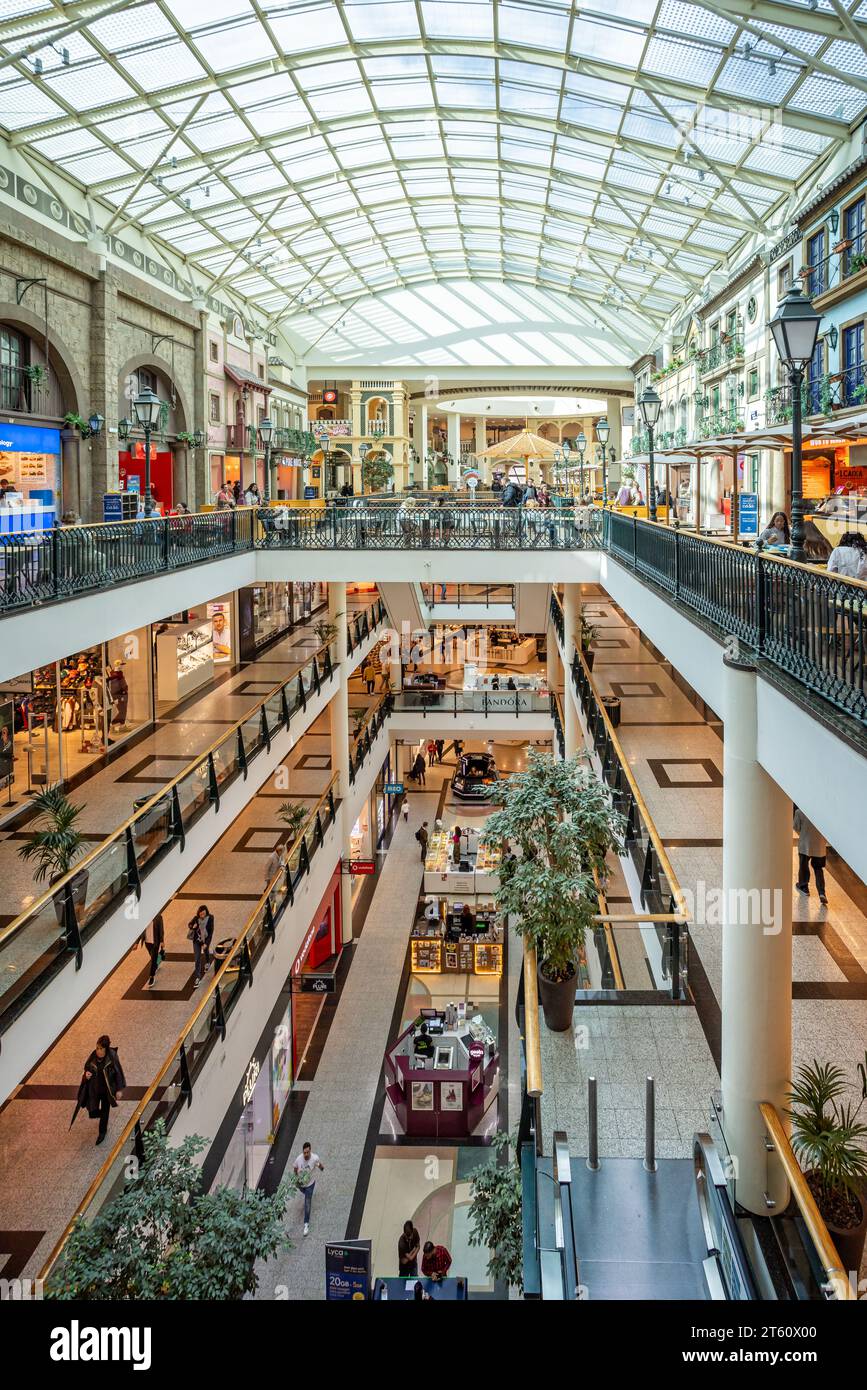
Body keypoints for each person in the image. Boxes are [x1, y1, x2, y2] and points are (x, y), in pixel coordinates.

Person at [78, 1034, 126, 1146]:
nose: (98, 1051)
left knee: (105, 1110)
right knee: (92, 1110)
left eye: (100, 1049)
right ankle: (102, 1115)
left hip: (107, 1090)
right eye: (97, 1048)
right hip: (94, 1089)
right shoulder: (93, 1055)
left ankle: (102, 1132)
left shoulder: (112, 1057)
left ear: (106, 1049)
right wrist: (86, 1075)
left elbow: (118, 1073)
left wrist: (119, 1090)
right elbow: (86, 1067)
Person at [794, 807, 828, 905]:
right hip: (820, 844)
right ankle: (822, 892)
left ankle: (804, 887)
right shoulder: (823, 812)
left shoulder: (799, 812)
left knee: (803, 865)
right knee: (818, 868)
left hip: (805, 844)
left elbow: (796, 827)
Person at [293, 1141, 324, 1236]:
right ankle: (307, 1195)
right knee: (304, 1193)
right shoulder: (299, 1159)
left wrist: (320, 1166)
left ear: (310, 1151)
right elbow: (295, 1168)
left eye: (307, 1152)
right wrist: (296, 1179)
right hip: (301, 1184)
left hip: (310, 1184)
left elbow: (320, 1166)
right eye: (304, 1152)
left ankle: (306, 1224)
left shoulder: (315, 1158)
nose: (306, 1154)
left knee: (307, 1203)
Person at [188, 904, 214, 986]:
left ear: (206, 913)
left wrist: (206, 943)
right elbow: (189, 924)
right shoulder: (196, 918)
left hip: (205, 938)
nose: (202, 915)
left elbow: (211, 932)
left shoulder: (210, 918)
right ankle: (198, 977)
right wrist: (192, 926)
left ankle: (207, 962)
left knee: (206, 950)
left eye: (204, 913)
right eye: (201, 914)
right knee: (197, 958)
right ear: (198, 913)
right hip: (197, 940)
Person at [140, 911, 164, 989]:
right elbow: (140, 931)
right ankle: (157, 963)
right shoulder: (144, 918)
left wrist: (162, 941)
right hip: (147, 942)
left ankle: (151, 977)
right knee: (153, 957)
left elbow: (161, 930)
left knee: (153, 959)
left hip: (155, 942)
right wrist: (137, 943)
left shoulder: (158, 917)